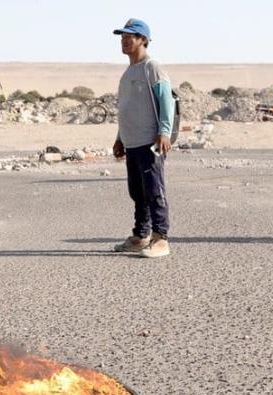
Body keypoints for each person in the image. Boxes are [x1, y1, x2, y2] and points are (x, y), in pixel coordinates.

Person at [111, 18, 176, 258]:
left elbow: (165, 101)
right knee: (138, 193)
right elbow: (126, 108)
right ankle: (141, 236)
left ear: (143, 40)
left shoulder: (152, 67)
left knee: (154, 190)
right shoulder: (128, 73)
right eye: (122, 37)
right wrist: (119, 138)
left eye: (130, 36)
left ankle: (161, 239)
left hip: (150, 142)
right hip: (131, 141)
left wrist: (164, 132)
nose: (124, 40)